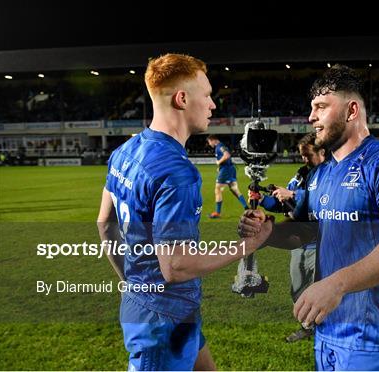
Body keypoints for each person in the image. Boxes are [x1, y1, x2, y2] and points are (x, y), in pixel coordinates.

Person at [238, 65, 379, 371]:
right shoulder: (321, 174)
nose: (311, 117)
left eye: (321, 107)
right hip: (328, 330)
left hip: (372, 336)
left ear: (352, 110)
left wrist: (336, 285)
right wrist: (267, 234)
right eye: (311, 108)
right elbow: (309, 232)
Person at [97, 53, 271, 371]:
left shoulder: (124, 151)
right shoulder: (177, 171)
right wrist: (248, 246)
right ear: (182, 99)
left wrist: (135, 285)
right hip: (163, 323)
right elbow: (175, 266)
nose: (212, 105)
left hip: (161, 309)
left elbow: (105, 224)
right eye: (206, 96)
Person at [258, 132, 326, 342]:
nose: (304, 159)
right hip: (298, 242)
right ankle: (307, 327)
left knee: (320, 291)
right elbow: (282, 205)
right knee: (297, 288)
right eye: (301, 155)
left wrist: (295, 196)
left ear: (321, 152)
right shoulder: (300, 174)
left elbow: (325, 201)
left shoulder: (330, 174)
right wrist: (263, 199)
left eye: (307, 155)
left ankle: (325, 332)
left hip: (321, 244)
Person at [206, 134, 248, 218]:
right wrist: (220, 167)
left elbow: (227, 155)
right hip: (230, 169)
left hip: (226, 170)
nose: (209, 144)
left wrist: (219, 162)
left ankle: (217, 213)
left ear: (213, 140)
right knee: (234, 190)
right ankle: (247, 208)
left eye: (209, 142)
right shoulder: (221, 146)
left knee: (217, 189)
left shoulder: (219, 146)